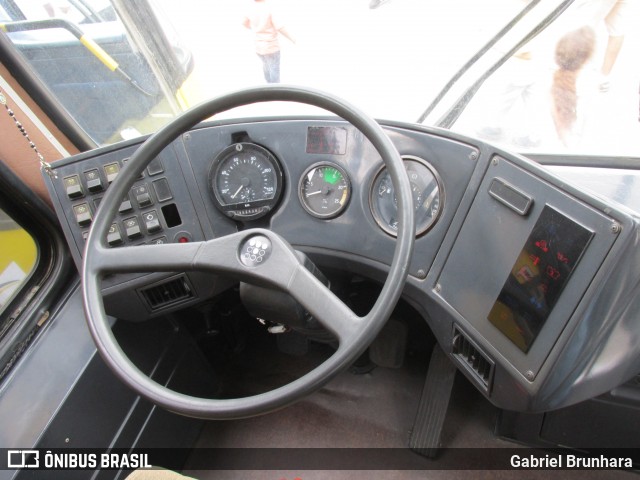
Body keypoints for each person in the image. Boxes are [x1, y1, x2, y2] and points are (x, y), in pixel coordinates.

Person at [242, 0, 295, 84]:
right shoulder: (269, 8)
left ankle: (268, 88)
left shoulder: (250, 8)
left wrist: (256, 30)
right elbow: (280, 27)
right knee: (274, 74)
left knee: (266, 67)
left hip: (259, 47)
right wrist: (293, 39)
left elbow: (244, 23)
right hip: (271, 47)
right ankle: (275, 92)